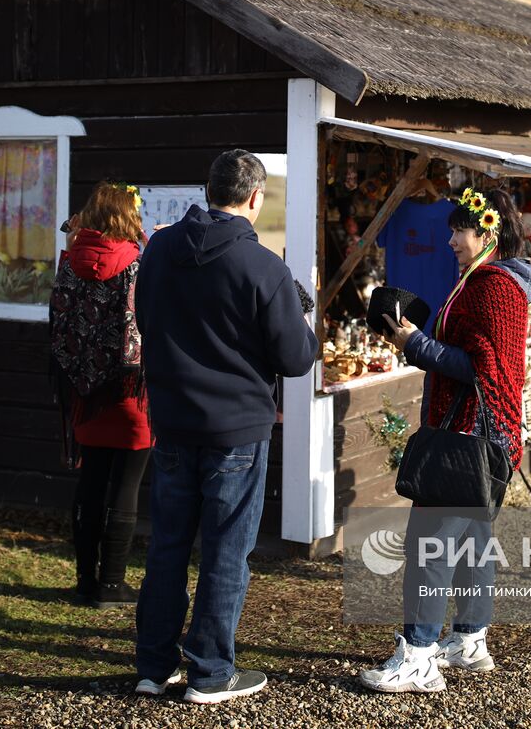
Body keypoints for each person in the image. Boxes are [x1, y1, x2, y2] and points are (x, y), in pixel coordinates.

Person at [132, 149, 317, 704]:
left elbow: (144, 319)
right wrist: (301, 318)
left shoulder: (159, 248)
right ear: (255, 198)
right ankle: (211, 672)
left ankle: (154, 665)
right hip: (235, 428)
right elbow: (296, 357)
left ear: (206, 189)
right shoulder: (263, 265)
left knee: (167, 545)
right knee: (225, 550)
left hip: (172, 420)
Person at [358, 186, 531, 694]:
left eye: (461, 229)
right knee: (474, 542)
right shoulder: (482, 282)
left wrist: (414, 343)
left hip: (471, 436)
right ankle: (469, 639)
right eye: (453, 228)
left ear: (489, 235)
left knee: (430, 543)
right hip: (484, 435)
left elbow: (487, 370)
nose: (451, 239)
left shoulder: (494, 288)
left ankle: (418, 656)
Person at [49, 181, 152, 609]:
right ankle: (111, 585)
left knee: (90, 482)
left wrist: (72, 234)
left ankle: (83, 583)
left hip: (85, 391)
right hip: (129, 390)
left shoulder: (71, 260)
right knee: (125, 484)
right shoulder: (138, 262)